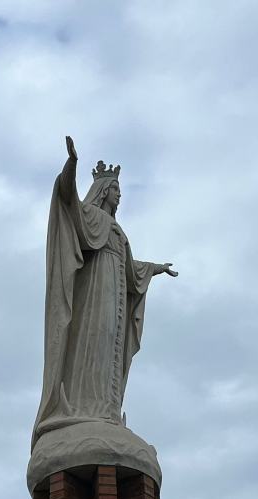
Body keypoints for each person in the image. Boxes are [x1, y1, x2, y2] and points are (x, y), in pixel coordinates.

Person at [33, 136, 177, 448]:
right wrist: (71, 166)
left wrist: (155, 268)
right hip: (95, 293)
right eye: (115, 190)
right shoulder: (91, 216)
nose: (119, 195)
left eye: (120, 191)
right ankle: (86, 407)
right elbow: (66, 198)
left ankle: (106, 410)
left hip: (116, 294)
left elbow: (129, 267)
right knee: (92, 340)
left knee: (109, 343)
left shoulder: (117, 230)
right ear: (103, 191)